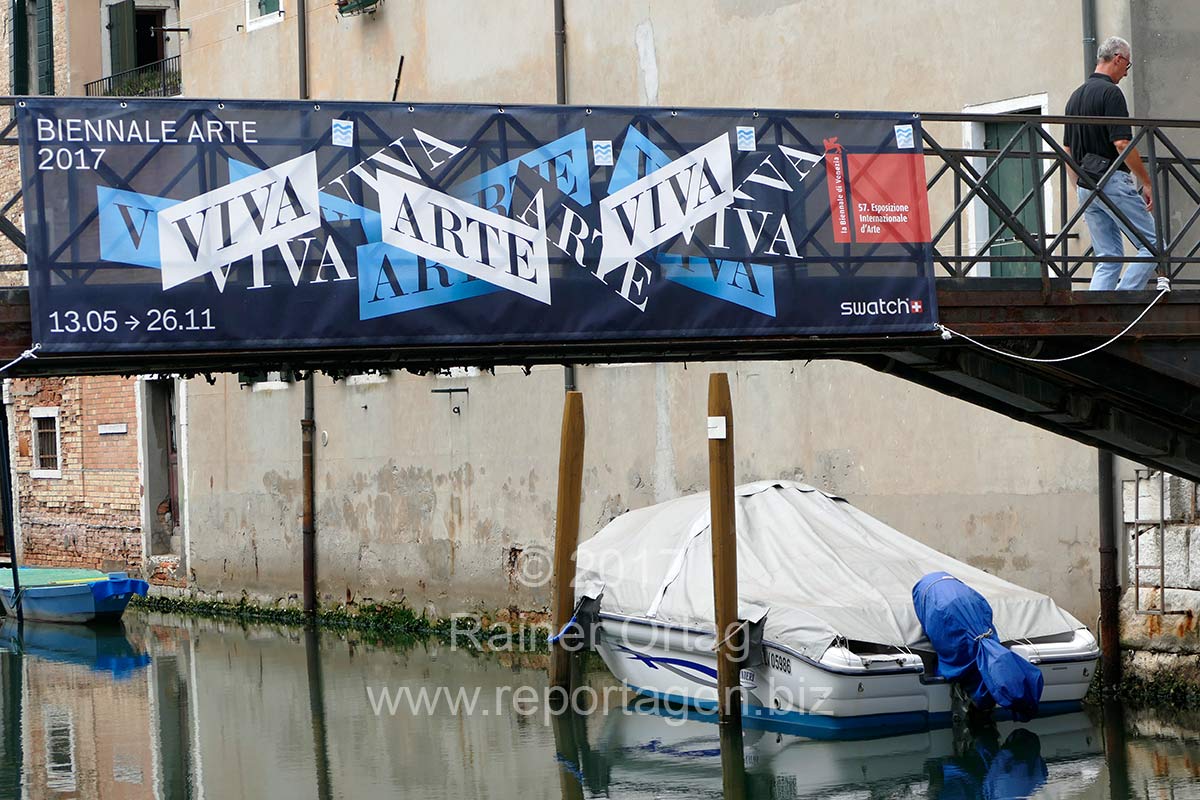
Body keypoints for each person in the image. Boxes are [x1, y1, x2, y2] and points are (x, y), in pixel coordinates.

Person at [1064, 36, 1159, 290]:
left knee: (1108, 257)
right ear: (1117, 59)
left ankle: (1097, 318)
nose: (1126, 74)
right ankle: (1123, 304)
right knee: (1152, 244)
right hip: (1111, 180)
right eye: (1127, 66)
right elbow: (1121, 144)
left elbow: (1067, 151)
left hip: (1087, 185)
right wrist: (1146, 182)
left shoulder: (1075, 97)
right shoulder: (1111, 93)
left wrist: (1080, 192)